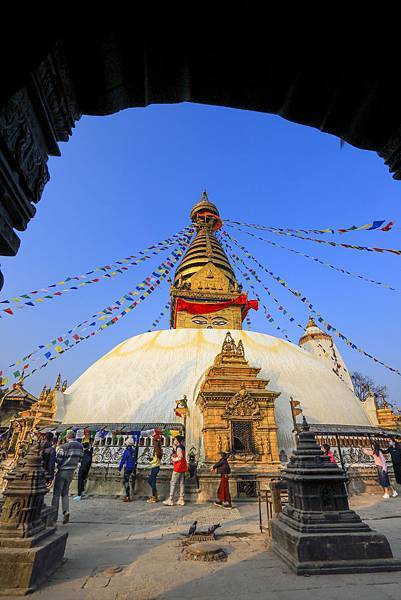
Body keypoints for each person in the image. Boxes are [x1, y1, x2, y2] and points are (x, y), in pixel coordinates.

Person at [51, 430, 83, 524]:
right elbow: (80, 459)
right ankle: (66, 511)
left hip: (63, 470)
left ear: (67, 437)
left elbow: (59, 459)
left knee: (56, 494)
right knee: (65, 493)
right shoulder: (80, 446)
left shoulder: (64, 446)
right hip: (72, 471)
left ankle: (54, 516)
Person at [163, 435, 188, 506]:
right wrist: (175, 448)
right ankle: (181, 499)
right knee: (182, 483)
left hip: (178, 467)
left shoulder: (179, 448)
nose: (174, 441)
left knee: (173, 482)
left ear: (177, 441)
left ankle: (170, 499)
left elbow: (180, 457)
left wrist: (173, 459)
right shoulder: (182, 447)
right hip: (183, 466)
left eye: (175, 440)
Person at [118, 437, 137, 502]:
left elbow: (123, 460)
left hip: (128, 467)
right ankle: (131, 494)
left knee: (125, 481)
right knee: (131, 481)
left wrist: (119, 469)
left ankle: (128, 496)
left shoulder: (127, 451)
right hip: (133, 467)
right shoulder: (134, 450)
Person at [147, 433, 163, 503]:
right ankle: (155, 494)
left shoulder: (157, 450)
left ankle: (154, 497)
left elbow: (155, 460)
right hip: (156, 467)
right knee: (150, 481)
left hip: (155, 467)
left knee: (152, 481)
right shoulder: (158, 450)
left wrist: (150, 462)